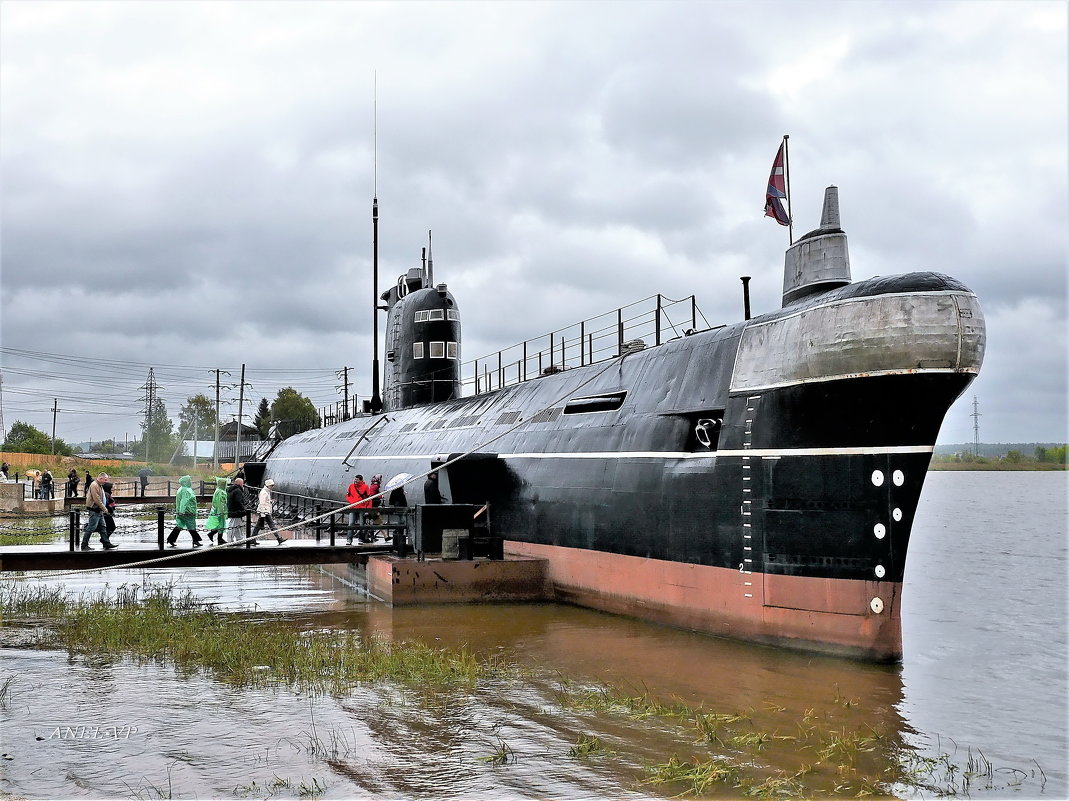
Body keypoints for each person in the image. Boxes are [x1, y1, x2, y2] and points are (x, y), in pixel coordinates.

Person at [80, 472, 118, 550]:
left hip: (99, 510)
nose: (105, 481)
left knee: (103, 527)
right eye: (105, 480)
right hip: (94, 509)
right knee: (91, 528)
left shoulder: (99, 485)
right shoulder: (94, 485)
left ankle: (106, 542)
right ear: (100, 478)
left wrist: (102, 509)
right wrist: (105, 509)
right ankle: (84, 545)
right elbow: (96, 499)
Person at [166, 475, 203, 548]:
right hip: (188, 512)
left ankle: (171, 539)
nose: (190, 482)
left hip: (182, 512)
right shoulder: (186, 490)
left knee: (179, 525)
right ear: (187, 482)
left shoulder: (181, 489)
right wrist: (182, 511)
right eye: (189, 481)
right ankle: (196, 540)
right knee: (191, 526)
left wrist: (180, 511)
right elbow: (184, 501)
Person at [252, 479, 284, 545]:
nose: (272, 487)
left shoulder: (266, 491)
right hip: (265, 512)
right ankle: (278, 538)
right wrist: (263, 513)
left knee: (258, 526)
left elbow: (265, 501)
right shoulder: (264, 492)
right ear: (268, 485)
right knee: (271, 525)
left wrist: (270, 501)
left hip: (265, 511)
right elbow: (262, 503)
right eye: (271, 485)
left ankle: (252, 539)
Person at [345, 474, 372, 545]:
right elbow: (348, 496)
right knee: (351, 523)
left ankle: (361, 539)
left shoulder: (365, 487)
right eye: (355, 479)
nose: (355, 481)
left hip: (362, 508)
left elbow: (369, 499)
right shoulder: (351, 486)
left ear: (361, 480)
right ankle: (349, 539)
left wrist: (368, 509)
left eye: (357, 479)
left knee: (361, 524)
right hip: (353, 507)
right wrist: (352, 502)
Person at [225, 477, 252, 545]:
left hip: (232, 510)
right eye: (242, 483)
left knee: (238, 525)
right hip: (236, 511)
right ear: (240, 483)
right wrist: (243, 509)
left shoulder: (230, 490)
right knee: (233, 525)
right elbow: (238, 502)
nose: (243, 484)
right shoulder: (238, 491)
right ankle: (230, 540)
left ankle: (239, 539)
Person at [205, 477, 227, 544]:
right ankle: (219, 539)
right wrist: (221, 512)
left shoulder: (217, 490)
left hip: (216, 510)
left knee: (218, 525)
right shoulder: (221, 492)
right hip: (220, 511)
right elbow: (220, 503)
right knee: (221, 525)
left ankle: (212, 535)